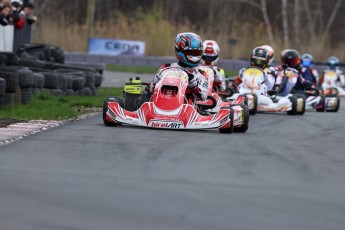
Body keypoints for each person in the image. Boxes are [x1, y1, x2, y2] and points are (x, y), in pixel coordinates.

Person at [150, 32, 208, 102]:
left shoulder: (201, 74)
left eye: (197, 53)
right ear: (180, 50)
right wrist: (154, 83)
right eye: (191, 52)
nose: (195, 56)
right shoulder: (166, 67)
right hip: (162, 102)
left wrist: (194, 87)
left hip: (186, 108)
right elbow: (151, 90)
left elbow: (203, 97)